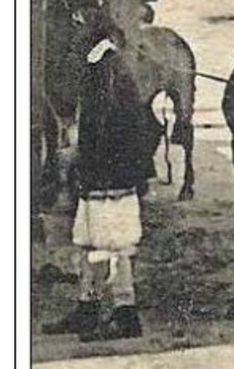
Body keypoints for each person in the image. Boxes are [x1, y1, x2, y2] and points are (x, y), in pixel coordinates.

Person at [42, 17, 163, 342]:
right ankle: (88, 307)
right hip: (98, 175)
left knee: (114, 245)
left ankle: (126, 314)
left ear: (89, 38)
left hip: (112, 176)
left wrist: (126, 174)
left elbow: (126, 129)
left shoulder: (109, 70)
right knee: (90, 241)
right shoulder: (99, 68)